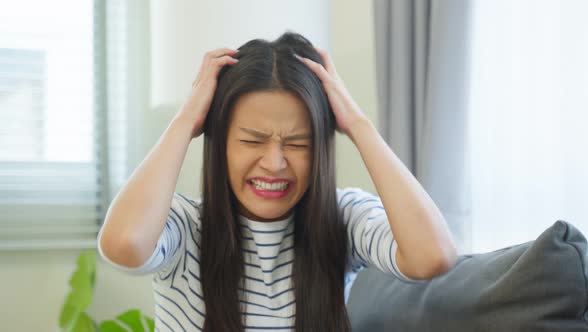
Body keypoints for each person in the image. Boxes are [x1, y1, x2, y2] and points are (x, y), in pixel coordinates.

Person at [97, 32, 458, 332]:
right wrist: (186, 119)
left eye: (299, 143)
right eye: (253, 140)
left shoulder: (342, 218)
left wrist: (357, 124)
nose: (274, 163)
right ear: (219, 141)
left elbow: (433, 257)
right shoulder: (184, 226)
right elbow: (124, 244)